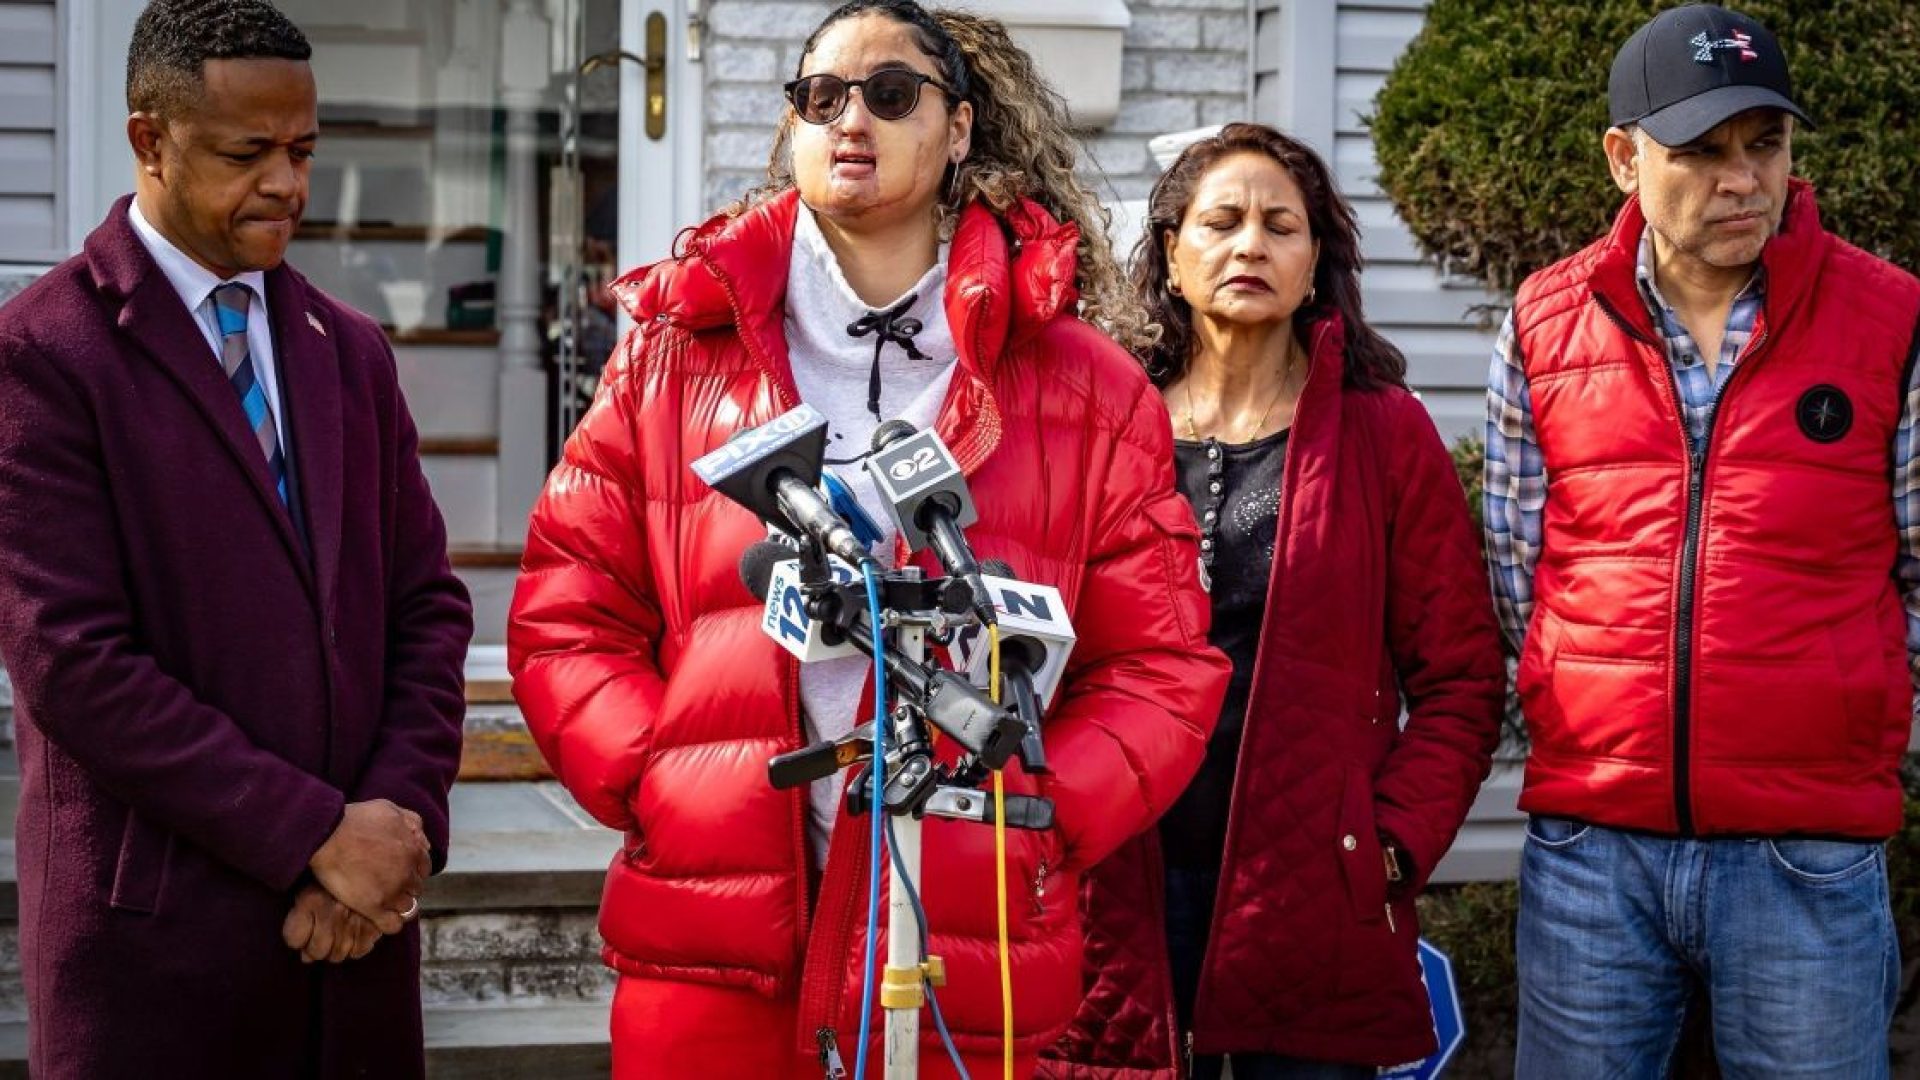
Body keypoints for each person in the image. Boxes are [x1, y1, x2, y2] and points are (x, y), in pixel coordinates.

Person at [506, 1, 1228, 1075]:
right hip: (713, 939)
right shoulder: (671, 356)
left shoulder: (1089, 386)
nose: (851, 118)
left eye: (890, 95)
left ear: (963, 128)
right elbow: (568, 612)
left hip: (964, 937)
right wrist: (662, 778)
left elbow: (1163, 669)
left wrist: (1039, 815)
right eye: (820, 96)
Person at [0, 1, 473, 1075]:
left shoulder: (348, 351)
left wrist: (392, 824)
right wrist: (315, 835)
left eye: (303, 150)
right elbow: (71, 661)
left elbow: (427, 607)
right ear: (148, 141)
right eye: (246, 152)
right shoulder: (43, 355)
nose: (287, 185)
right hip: (158, 959)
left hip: (353, 959)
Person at [1483, 5, 1920, 1076]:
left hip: (1808, 857)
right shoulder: (1543, 321)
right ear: (1625, 160)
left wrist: (1852, 718)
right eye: (1702, 152)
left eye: (1764, 144)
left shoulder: (1889, 319)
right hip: (1593, 853)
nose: (1743, 179)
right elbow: (1515, 566)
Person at [1040, 123, 1504, 1078]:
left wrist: (1387, 847)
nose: (1250, 244)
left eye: (1279, 225)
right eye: (1221, 221)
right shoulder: (1104, 423)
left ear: (1315, 260)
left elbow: (1461, 680)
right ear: (1171, 255)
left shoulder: (1384, 433)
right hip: (1118, 876)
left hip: (1309, 895)